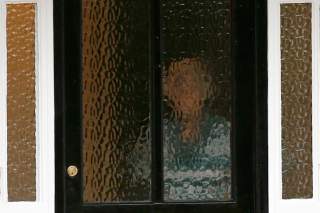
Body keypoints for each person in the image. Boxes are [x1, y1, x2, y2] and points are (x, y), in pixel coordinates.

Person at [163, 57, 231, 201]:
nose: (183, 90)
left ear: (206, 89)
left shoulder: (223, 134)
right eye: (177, 82)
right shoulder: (159, 136)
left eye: (190, 81)